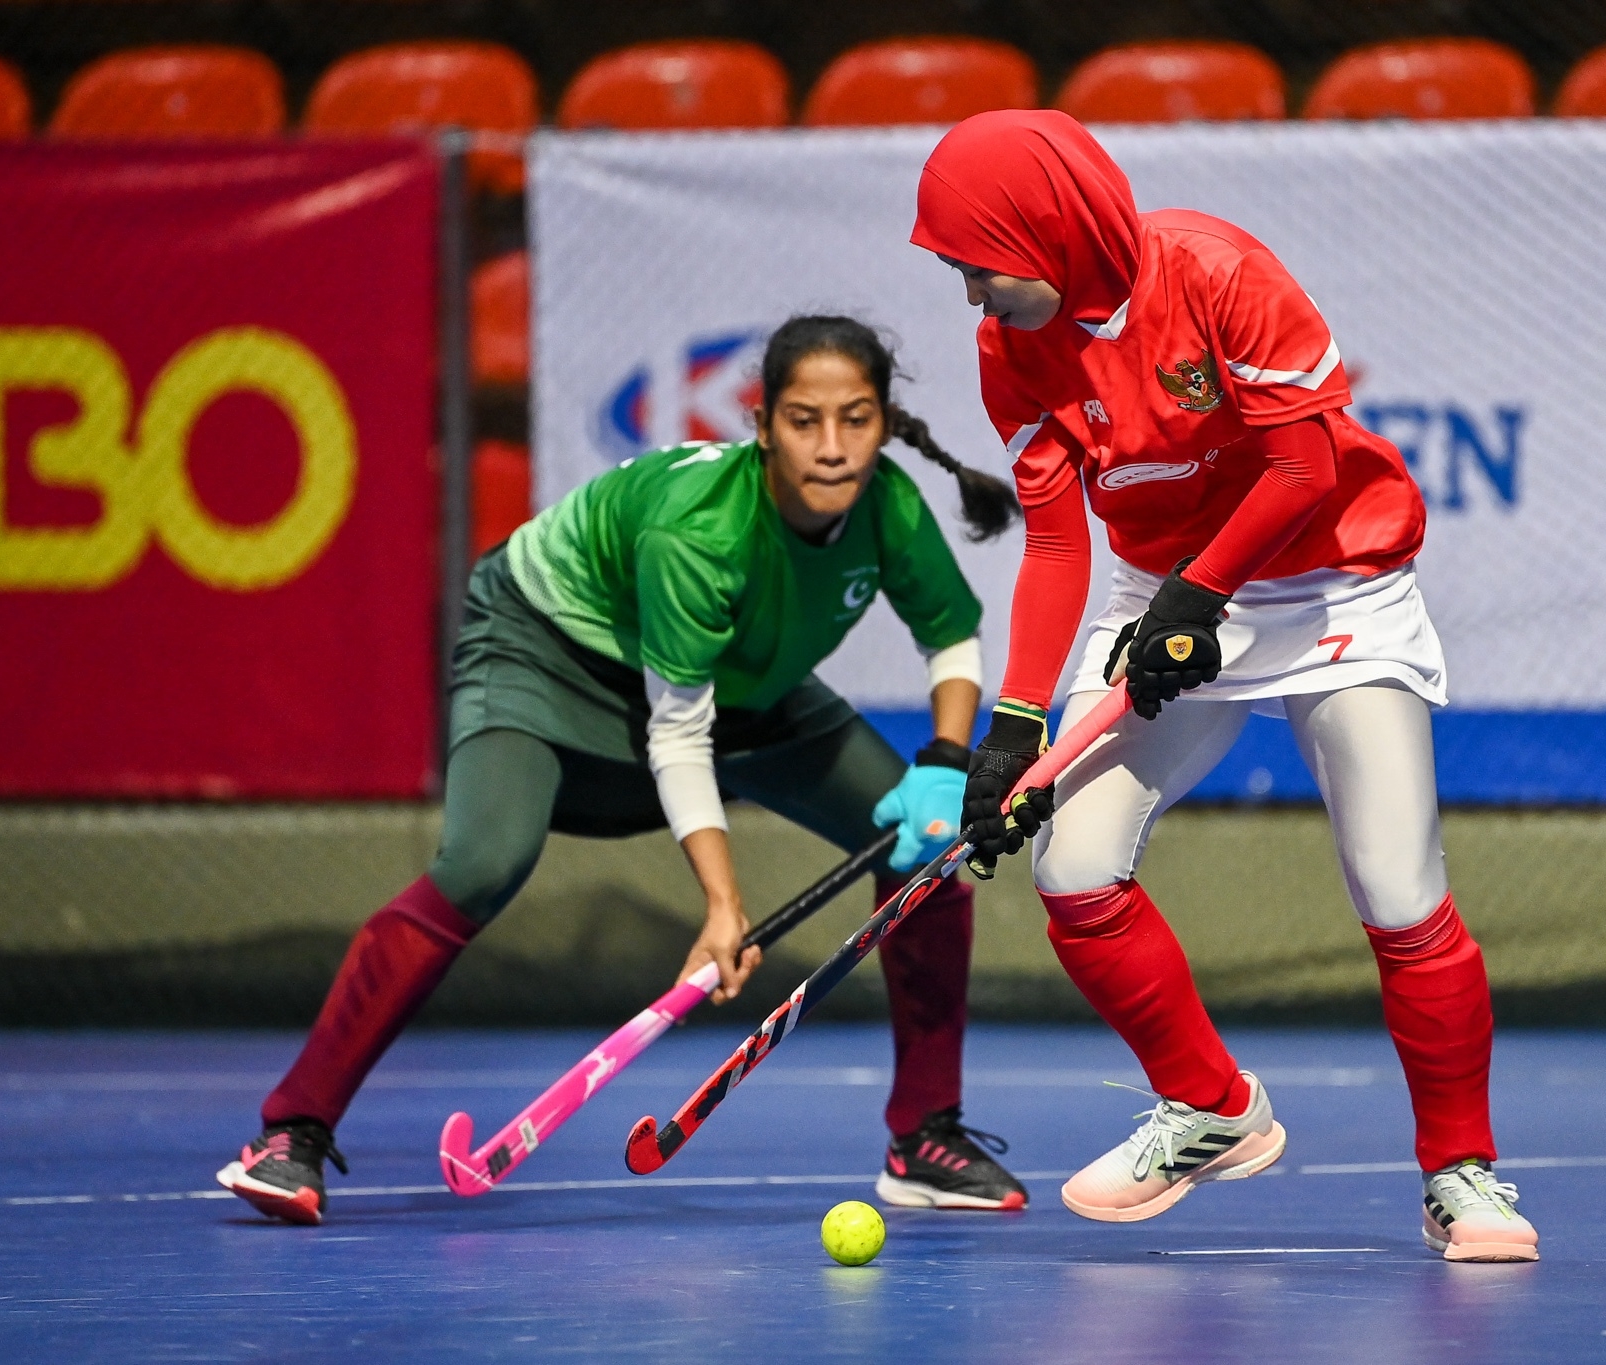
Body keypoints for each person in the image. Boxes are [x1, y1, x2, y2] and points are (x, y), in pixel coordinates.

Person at [217, 316, 1031, 1224]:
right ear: (762, 426)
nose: (833, 448)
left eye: (856, 419)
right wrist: (722, 907)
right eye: (805, 420)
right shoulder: (700, 532)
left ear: (884, 426)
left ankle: (925, 1136)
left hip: (743, 686)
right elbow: (679, 733)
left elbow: (950, 633)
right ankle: (289, 1131)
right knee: (482, 862)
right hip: (546, 652)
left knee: (927, 860)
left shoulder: (887, 504)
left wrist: (944, 767)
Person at [910, 111, 1539, 1262]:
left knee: (1397, 890)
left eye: (977, 267)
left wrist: (1199, 599)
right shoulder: (1012, 347)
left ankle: (1462, 1176)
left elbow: (1303, 464)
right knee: (1072, 866)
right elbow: (1055, 546)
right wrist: (1013, 725)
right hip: (1157, 590)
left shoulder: (1216, 272)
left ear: (1047, 232)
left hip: (1329, 583)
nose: (969, 299)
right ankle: (1209, 1108)